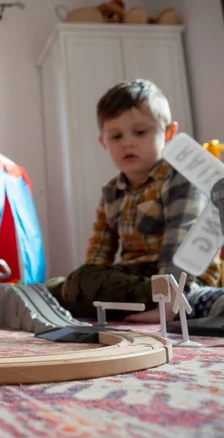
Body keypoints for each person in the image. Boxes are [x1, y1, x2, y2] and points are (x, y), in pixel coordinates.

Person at [46, 79, 224, 322]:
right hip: (137, 278)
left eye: (140, 132)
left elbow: (181, 243)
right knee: (66, 284)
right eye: (116, 136)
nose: (128, 142)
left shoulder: (181, 179)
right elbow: (99, 252)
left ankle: (191, 303)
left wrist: (171, 298)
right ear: (104, 143)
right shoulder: (111, 191)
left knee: (76, 286)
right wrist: (90, 278)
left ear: (169, 133)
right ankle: (62, 294)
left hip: (182, 278)